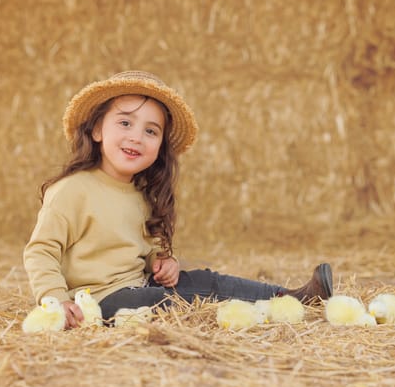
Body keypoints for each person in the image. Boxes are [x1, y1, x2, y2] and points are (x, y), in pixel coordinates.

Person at [24, 70, 333, 328]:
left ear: (159, 146)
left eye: (151, 131)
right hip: (99, 300)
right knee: (172, 303)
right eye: (125, 123)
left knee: (205, 282)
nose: (136, 137)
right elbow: (41, 251)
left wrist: (161, 262)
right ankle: (260, 314)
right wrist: (56, 300)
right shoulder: (72, 190)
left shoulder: (139, 195)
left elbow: (142, 250)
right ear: (96, 131)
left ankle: (290, 298)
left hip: (140, 287)